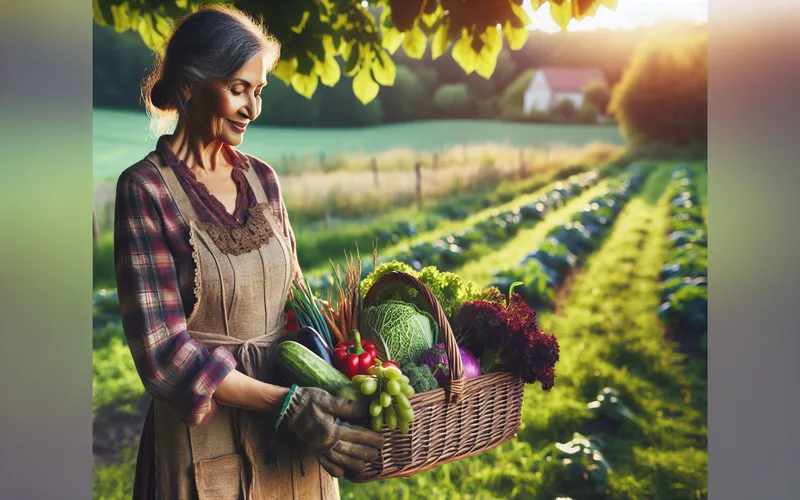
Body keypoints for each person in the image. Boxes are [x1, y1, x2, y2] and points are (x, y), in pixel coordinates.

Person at [113, 5, 383, 499]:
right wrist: (286, 402)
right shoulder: (145, 190)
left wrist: (353, 366)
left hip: (296, 436)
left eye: (258, 92)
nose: (253, 109)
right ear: (191, 85)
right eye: (238, 89)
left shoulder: (262, 180)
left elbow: (295, 300)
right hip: (204, 438)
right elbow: (164, 355)